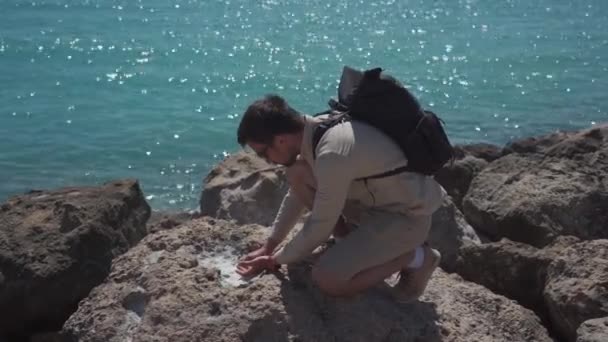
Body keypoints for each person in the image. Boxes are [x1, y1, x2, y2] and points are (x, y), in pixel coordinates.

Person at [235, 94, 444, 302]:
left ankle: (416, 257)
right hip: (372, 206)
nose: (266, 160)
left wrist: (275, 260)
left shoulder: (332, 152)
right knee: (297, 173)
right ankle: (345, 239)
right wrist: (270, 245)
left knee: (328, 279)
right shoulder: (317, 128)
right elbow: (296, 195)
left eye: (263, 153)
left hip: (404, 218)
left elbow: (320, 225)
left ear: (281, 140)